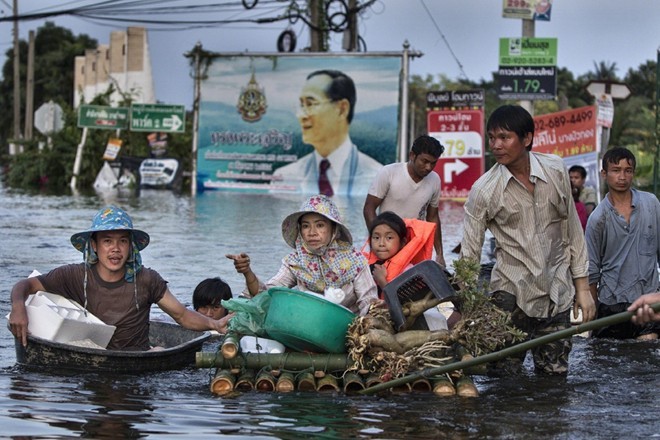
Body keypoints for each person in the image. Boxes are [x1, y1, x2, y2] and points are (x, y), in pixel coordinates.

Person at [459, 104, 595, 376]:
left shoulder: (556, 170)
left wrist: (582, 287)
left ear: (527, 139)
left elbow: (572, 231)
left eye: (504, 137)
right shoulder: (484, 190)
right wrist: (466, 308)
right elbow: (469, 256)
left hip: (557, 291)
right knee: (505, 383)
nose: (496, 145)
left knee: (555, 381)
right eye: (492, 138)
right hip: (510, 297)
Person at [8, 205, 232, 350]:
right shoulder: (75, 275)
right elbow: (26, 285)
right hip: (91, 358)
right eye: (107, 241)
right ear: (94, 246)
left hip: (133, 361)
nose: (115, 249)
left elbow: (181, 315)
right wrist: (18, 308)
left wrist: (215, 324)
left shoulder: (147, 279)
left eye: (122, 241)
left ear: (130, 246)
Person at [227, 194, 378, 316]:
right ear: (300, 230)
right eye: (306, 226)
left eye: (320, 225)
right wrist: (247, 272)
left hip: (346, 329)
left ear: (333, 229)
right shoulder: (295, 261)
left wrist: (364, 325)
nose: (312, 233)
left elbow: (368, 301)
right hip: (305, 326)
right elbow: (266, 294)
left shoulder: (355, 260)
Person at [585, 147, 660, 340]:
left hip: (648, 301)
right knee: (610, 361)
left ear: (633, 173)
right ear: (604, 174)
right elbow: (592, 270)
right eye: (616, 170)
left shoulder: (651, 204)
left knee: (647, 350)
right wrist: (591, 312)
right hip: (613, 303)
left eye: (628, 171)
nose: (622, 176)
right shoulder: (597, 219)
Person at [272, 69, 382, 196]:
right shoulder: (285, 177)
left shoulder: (375, 177)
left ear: (342, 109)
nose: (301, 115)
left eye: (310, 103)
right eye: (301, 105)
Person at [363, 134, 446, 267]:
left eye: (433, 163)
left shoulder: (434, 180)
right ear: (412, 155)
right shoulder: (388, 173)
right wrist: (379, 240)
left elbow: (433, 217)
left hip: (414, 245)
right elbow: (369, 208)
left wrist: (440, 254)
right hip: (387, 243)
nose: (428, 167)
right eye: (424, 161)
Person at [365, 210, 453, 330]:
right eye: (376, 237)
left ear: (402, 243)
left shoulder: (410, 271)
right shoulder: (366, 267)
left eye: (389, 237)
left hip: (411, 324)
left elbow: (408, 307)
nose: (381, 243)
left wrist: (382, 281)